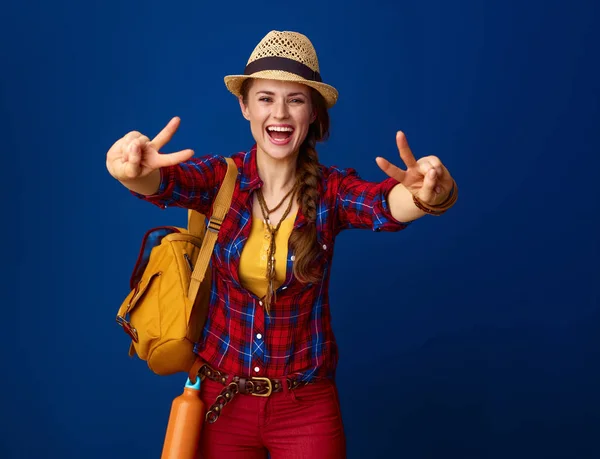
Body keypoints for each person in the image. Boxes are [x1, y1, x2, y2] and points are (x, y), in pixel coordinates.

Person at [105, 30, 457, 459]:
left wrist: (428, 193)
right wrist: (130, 170)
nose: (281, 113)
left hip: (305, 406)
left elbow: (384, 203)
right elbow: (164, 183)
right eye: (267, 97)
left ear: (312, 112)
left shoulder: (330, 191)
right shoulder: (222, 179)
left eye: (295, 99)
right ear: (245, 106)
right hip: (222, 401)